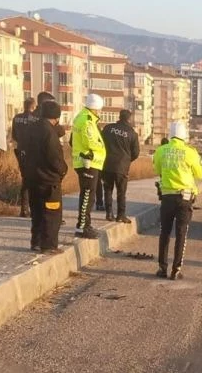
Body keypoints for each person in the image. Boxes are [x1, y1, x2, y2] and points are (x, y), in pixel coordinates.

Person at [153, 121, 202, 280]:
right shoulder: (190, 152)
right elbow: (200, 174)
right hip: (185, 198)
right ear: (184, 136)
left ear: (170, 135)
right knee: (181, 233)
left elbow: (157, 170)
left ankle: (162, 268)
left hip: (167, 198)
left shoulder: (161, 150)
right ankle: (176, 270)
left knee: (164, 233)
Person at [22, 101, 68, 254]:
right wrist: (63, 170)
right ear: (56, 117)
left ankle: (36, 242)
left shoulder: (31, 128)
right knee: (51, 213)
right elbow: (54, 157)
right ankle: (48, 245)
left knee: (37, 212)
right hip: (48, 180)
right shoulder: (49, 132)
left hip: (32, 177)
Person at [70, 94, 106, 239]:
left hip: (87, 162)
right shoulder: (87, 121)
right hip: (88, 162)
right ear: (95, 108)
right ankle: (82, 226)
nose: (100, 112)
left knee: (88, 195)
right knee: (87, 195)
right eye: (100, 109)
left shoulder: (82, 117)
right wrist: (102, 147)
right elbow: (90, 142)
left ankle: (85, 224)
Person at [100, 110, 140, 223]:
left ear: (120, 117)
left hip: (107, 164)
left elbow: (100, 143)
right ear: (129, 119)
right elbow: (136, 153)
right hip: (122, 167)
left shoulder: (108, 128)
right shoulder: (132, 133)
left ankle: (109, 213)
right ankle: (121, 215)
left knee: (108, 189)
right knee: (121, 192)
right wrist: (127, 160)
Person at [11, 97, 37, 217]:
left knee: (25, 179)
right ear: (33, 106)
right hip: (32, 151)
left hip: (20, 150)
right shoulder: (35, 119)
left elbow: (14, 136)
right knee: (33, 180)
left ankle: (24, 209)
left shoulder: (16, 118)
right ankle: (32, 208)